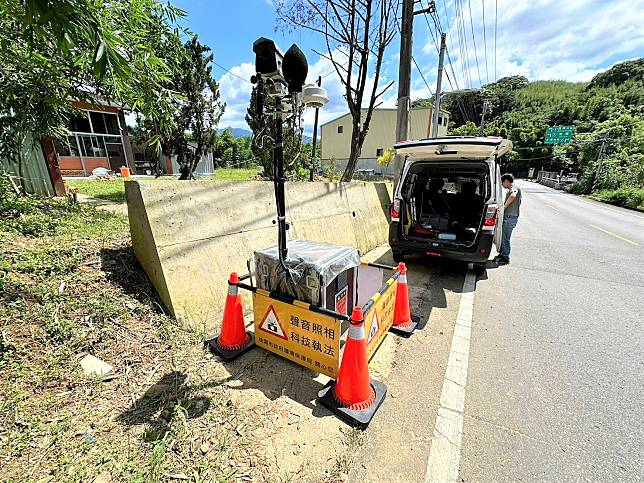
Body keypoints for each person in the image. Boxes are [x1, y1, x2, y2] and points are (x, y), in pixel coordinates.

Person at [495, 173, 522, 264]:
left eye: (502, 183)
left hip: (510, 218)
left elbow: (513, 195)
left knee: (506, 238)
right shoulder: (510, 189)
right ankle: (502, 254)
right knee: (503, 237)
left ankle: (505, 257)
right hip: (509, 217)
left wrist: (504, 207)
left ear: (506, 181)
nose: (502, 185)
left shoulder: (514, 188)